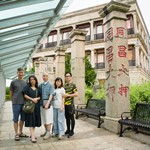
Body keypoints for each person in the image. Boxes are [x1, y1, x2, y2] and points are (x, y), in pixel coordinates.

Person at [10, 68, 27, 141]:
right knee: (15, 119)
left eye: (22, 72)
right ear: (17, 73)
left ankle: (20, 132)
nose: (20, 74)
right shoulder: (13, 82)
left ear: (23, 73)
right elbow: (11, 92)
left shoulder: (25, 82)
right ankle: (16, 134)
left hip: (24, 103)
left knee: (22, 119)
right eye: (19, 72)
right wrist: (13, 100)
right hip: (16, 103)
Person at [23, 75, 41, 143]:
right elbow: (25, 95)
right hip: (30, 106)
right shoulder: (27, 87)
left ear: (35, 80)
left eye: (33, 79)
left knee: (34, 120)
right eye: (31, 79)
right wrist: (32, 99)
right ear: (29, 81)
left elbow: (40, 96)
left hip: (36, 107)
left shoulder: (38, 88)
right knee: (31, 120)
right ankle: (33, 136)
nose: (32, 80)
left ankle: (32, 134)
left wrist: (36, 98)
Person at [39, 72, 54, 140]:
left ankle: (48, 133)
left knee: (48, 118)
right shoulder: (40, 85)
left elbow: (51, 94)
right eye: (44, 76)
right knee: (44, 118)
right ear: (42, 77)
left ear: (48, 77)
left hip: (48, 102)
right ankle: (46, 131)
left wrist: (48, 103)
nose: (45, 77)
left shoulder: (51, 85)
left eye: (46, 76)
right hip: (41, 103)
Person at [64, 72, 78, 136]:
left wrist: (68, 95)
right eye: (66, 76)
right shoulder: (64, 85)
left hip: (70, 104)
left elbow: (76, 94)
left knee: (71, 118)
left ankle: (72, 130)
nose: (67, 77)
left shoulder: (73, 85)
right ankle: (68, 129)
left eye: (68, 76)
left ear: (71, 77)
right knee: (67, 118)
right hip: (65, 104)